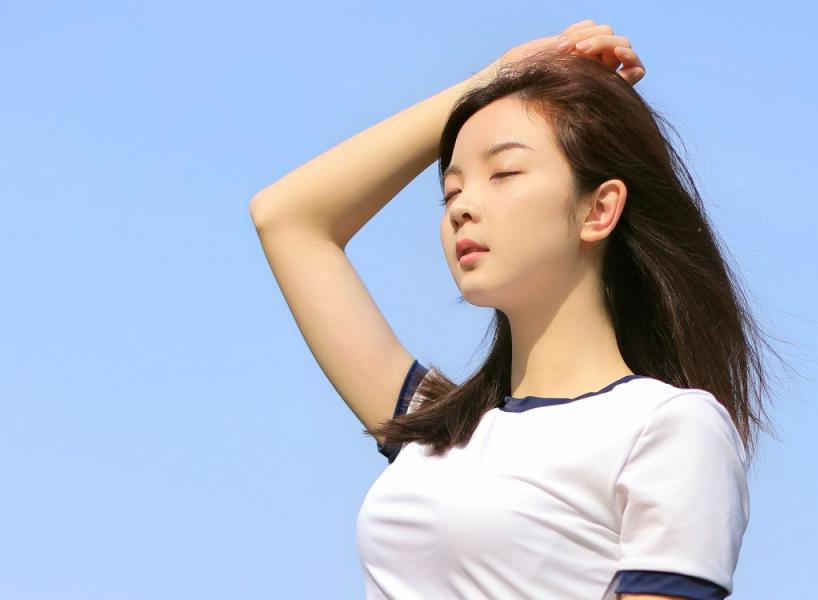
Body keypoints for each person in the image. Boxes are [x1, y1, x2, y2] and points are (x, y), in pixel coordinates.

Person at [250, 19, 780, 600]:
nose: (462, 208)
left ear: (599, 210)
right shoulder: (437, 428)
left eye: (503, 173)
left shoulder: (669, 426)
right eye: (451, 191)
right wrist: (492, 78)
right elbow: (287, 218)